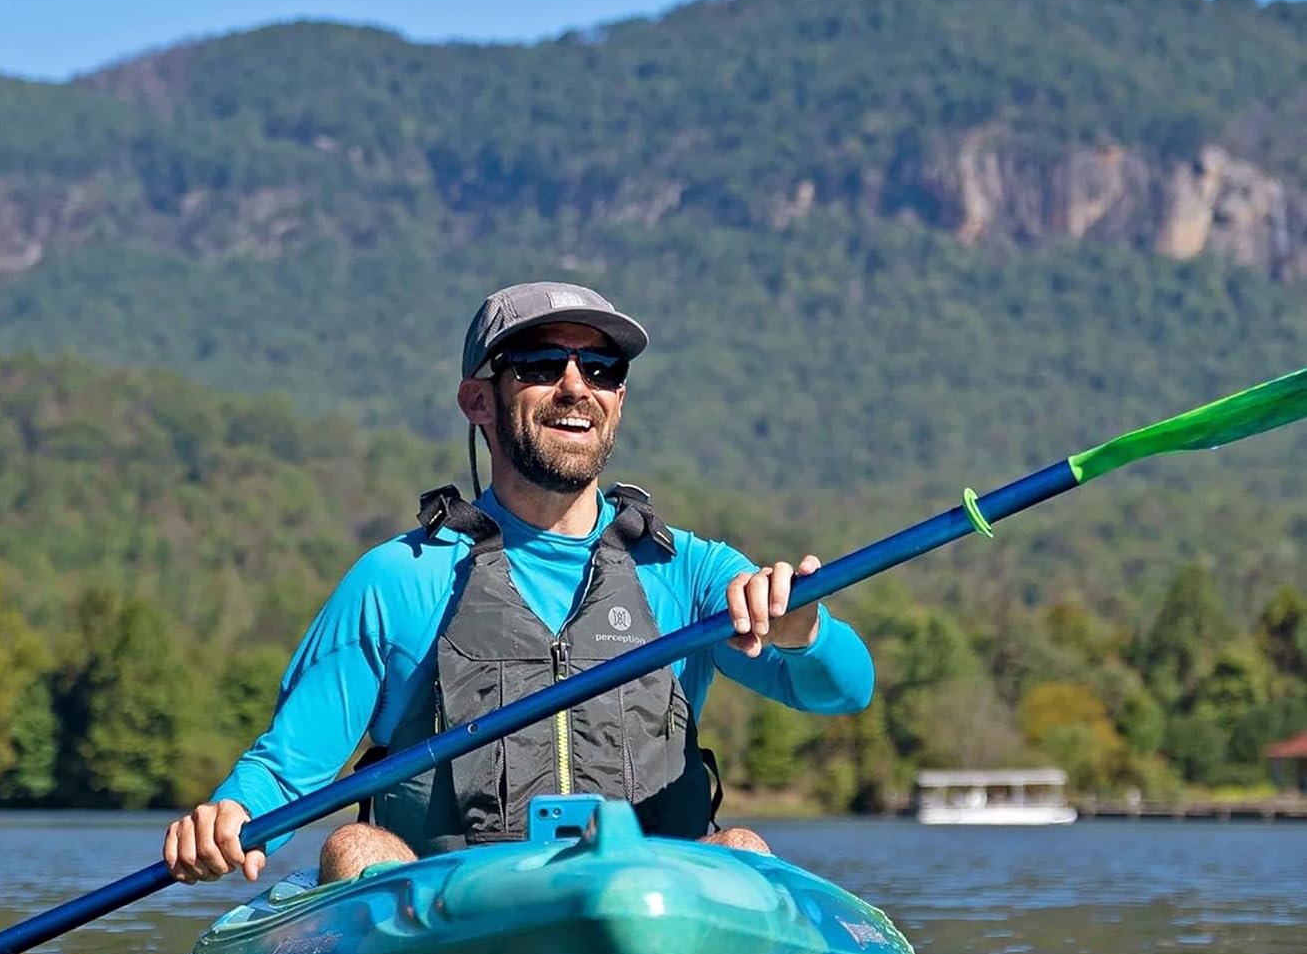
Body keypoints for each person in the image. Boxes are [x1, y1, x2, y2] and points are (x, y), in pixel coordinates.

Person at [163, 281, 874, 885]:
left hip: (652, 913)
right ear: (478, 400)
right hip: (450, 922)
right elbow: (289, 769)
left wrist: (803, 633)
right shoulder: (401, 579)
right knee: (353, 848)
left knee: (743, 850)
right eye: (541, 363)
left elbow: (845, 688)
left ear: (619, 400)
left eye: (601, 368)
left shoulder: (689, 572)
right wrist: (228, 818)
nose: (576, 386)